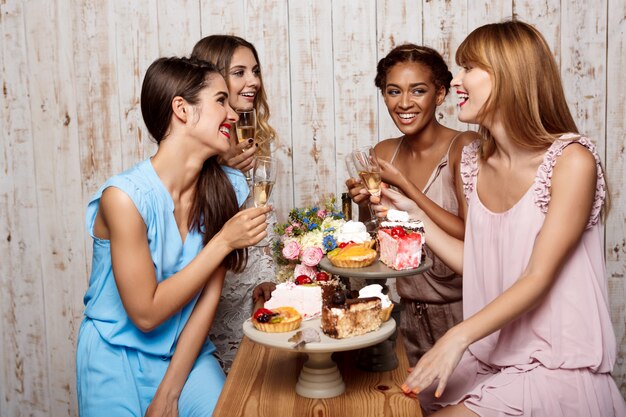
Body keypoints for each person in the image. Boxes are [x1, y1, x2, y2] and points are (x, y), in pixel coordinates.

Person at [372, 21, 626, 416]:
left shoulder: (572, 160)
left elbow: (536, 278)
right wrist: (414, 214)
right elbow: (476, 262)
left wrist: (455, 337)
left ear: (511, 75)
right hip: (492, 356)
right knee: (386, 405)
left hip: (553, 367)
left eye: (469, 68)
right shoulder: (476, 161)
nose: (456, 81)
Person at [76, 57, 271, 417]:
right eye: (220, 101)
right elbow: (146, 314)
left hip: (187, 353)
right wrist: (224, 242)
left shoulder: (225, 188)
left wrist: (169, 392)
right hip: (115, 359)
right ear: (182, 109)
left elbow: (207, 298)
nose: (232, 114)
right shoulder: (123, 198)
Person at [347, 44, 477, 365]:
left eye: (418, 90)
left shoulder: (464, 145)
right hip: (405, 317)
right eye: (393, 91)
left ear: (440, 94)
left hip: (463, 316)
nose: (404, 103)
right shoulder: (383, 152)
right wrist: (363, 204)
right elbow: (379, 242)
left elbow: (471, 235)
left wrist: (407, 188)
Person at [191, 35, 277, 372]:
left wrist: (267, 279)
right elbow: (193, 241)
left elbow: (262, 225)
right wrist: (221, 168)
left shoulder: (256, 141)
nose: (253, 81)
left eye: (255, 71)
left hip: (256, 296)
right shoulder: (194, 155)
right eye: (239, 72)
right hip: (212, 302)